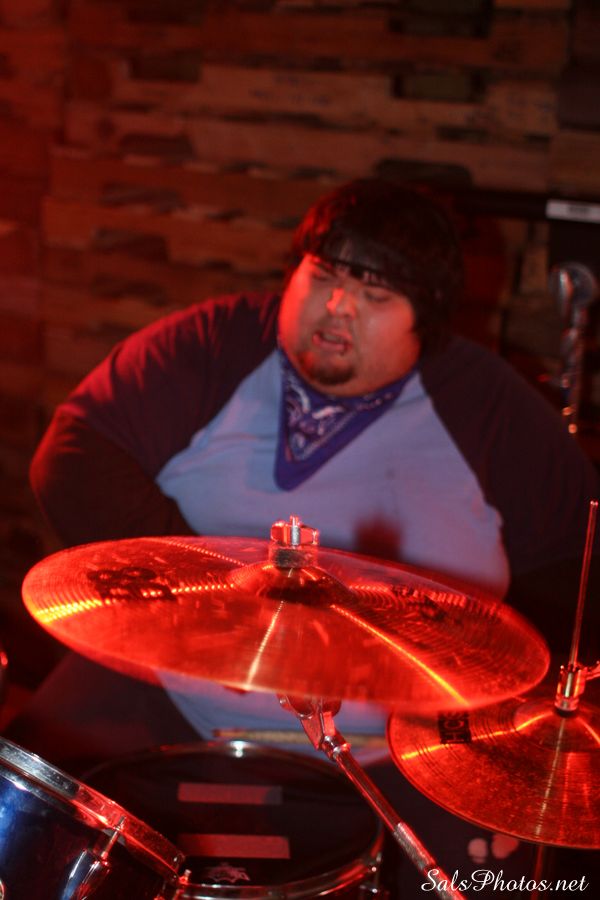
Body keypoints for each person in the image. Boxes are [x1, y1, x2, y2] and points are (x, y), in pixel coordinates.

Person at [11, 179, 599, 895]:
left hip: (398, 751)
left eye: (375, 295)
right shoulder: (214, 345)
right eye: (323, 277)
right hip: (171, 699)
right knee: (29, 824)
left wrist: (506, 707)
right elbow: (73, 456)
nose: (338, 307)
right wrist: (205, 608)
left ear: (428, 322)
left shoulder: (491, 410)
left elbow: (577, 561)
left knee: (488, 877)